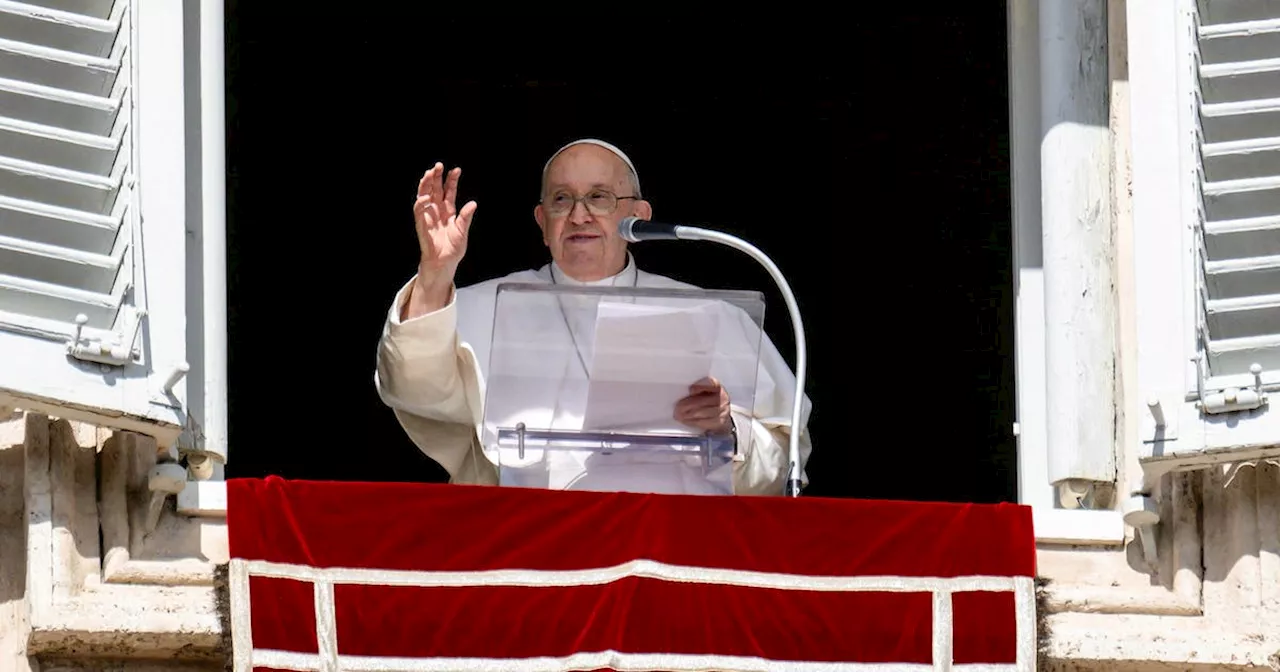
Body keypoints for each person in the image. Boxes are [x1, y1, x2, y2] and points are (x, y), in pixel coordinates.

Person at [374, 139, 812, 496]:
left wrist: (727, 429)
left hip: (668, 548)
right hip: (529, 551)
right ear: (543, 222)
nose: (579, 214)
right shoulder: (485, 305)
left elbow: (785, 458)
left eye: (599, 197)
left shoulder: (712, 314)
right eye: (562, 199)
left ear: (637, 216)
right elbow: (412, 388)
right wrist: (435, 273)